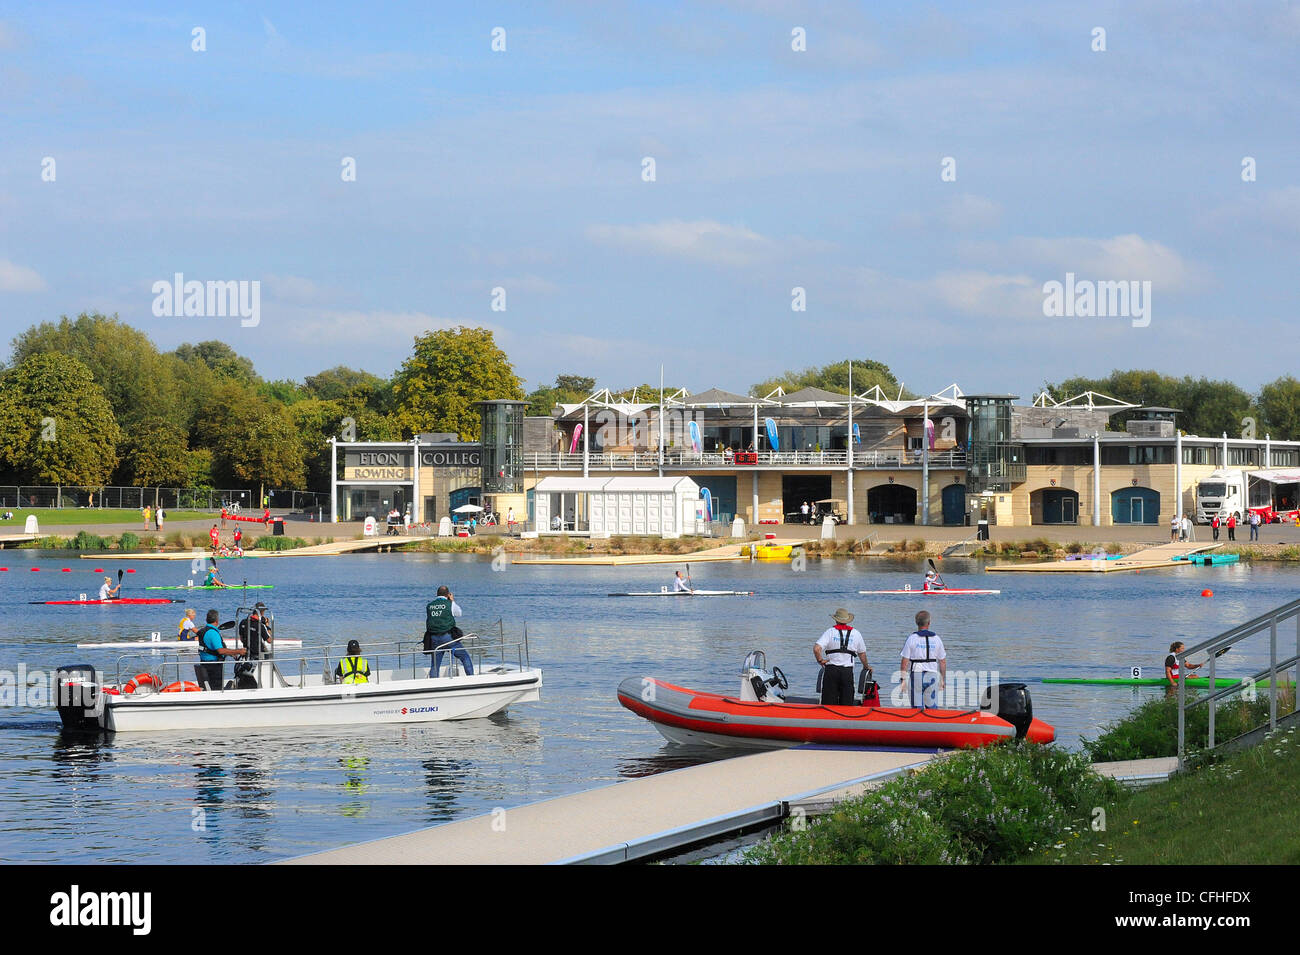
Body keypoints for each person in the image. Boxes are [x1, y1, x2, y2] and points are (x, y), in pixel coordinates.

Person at [814, 608, 870, 706]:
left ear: (836, 620)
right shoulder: (856, 633)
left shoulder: (830, 632)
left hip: (831, 671)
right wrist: (866, 666)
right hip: (847, 672)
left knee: (828, 703)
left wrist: (820, 660)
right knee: (847, 703)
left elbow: (816, 649)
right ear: (847, 620)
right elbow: (862, 654)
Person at [900, 610, 946, 709]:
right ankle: (933, 723)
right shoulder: (937, 639)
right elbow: (942, 661)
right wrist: (942, 679)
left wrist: (903, 679)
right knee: (932, 708)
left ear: (916, 622)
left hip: (917, 676)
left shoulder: (912, 638)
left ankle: (918, 723)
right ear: (929, 623)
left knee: (917, 709)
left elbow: (905, 662)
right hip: (932, 676)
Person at [425, 585, 473, 676]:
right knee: (465, 657)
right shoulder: (450, 603)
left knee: (435, 665)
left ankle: (433, 685)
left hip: (434, 638)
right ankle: (471, 678)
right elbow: (459, 613)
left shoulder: (429, 606)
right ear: (448, 594)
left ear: (437, 594)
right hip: (448, 638)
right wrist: (452, 600)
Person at [194, 608, 246, 690]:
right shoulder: (213, 633)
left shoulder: (203, 631)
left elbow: (211, 648)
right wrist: (239, 651)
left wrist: (232, 653)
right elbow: (220, 651)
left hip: (204, 663)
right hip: (213, 666)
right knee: (217, 688)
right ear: (217, 621)